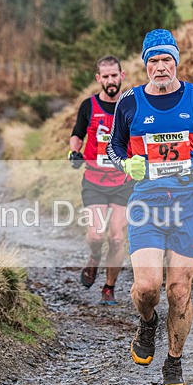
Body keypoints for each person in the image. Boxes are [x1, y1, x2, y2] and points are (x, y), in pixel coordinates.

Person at [106, 29, 193, 385]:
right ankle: (147, 323)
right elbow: (115, 146)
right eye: (153, 61)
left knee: (179, 289)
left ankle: (174, 361)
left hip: (188, 203)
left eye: (166, 60)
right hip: (147, 203)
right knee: (147, 288)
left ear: (176, 62)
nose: (160, 67)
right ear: (145, 65)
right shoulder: (129, 102)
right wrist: (126, 164)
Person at [68, 55, 134, 305]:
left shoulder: (131, 104)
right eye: (105, 77)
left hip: (124, 182)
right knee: (96, 235)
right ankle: (94, 258)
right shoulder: (89, 106)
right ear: (99, 79)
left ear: (122, 76)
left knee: (116, 237)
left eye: (114, 75)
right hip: (94, 181)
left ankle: (109, 287)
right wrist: (74, 151)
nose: (110, 81)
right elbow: (77, 134)